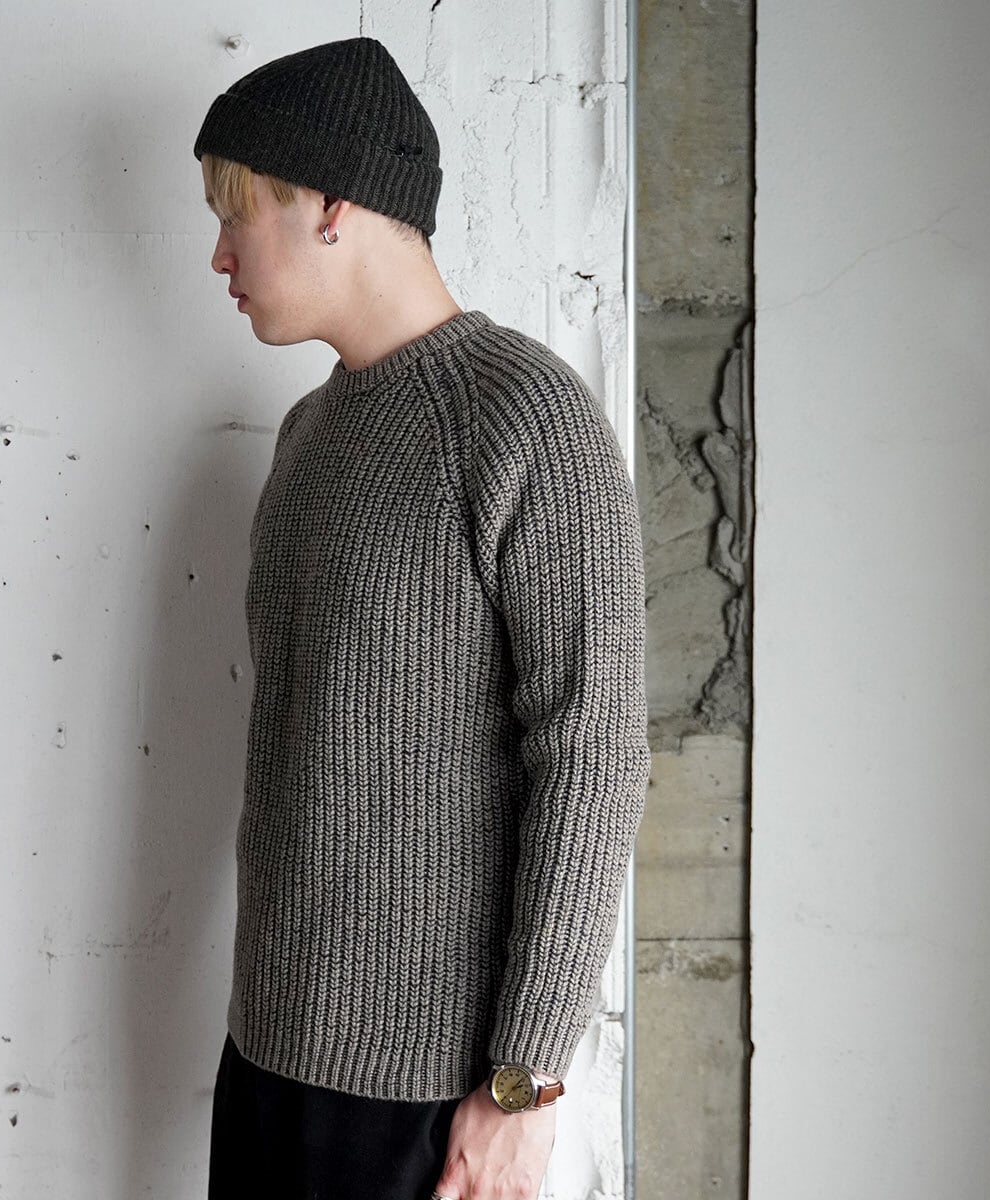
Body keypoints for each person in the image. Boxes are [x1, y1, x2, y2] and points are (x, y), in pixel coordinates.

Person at [193, 35, 651, 1200]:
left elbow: (592, 761)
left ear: (332, 205)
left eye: (236, 213)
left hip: (425, 1098)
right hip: (266, 1058)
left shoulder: (526, 419)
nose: (219, 253)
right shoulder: (308, 433)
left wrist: (525, 1084)